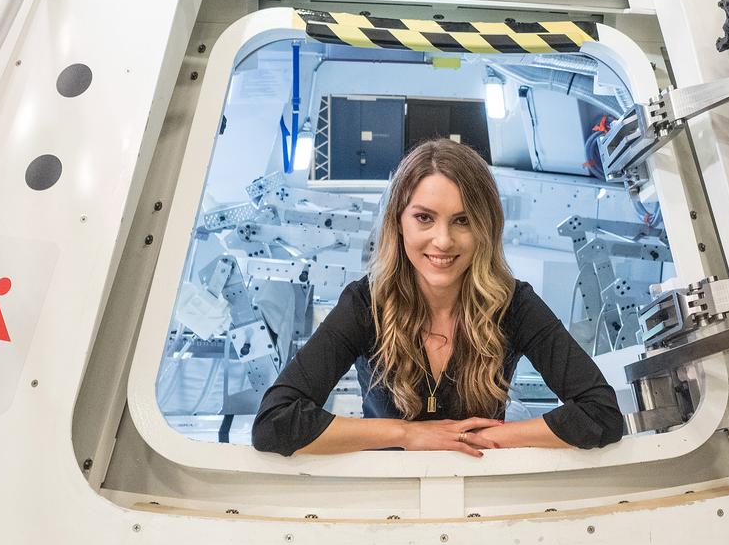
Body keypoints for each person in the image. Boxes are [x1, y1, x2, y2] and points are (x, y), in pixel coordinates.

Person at [251, 139, 625, 457]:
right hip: (386, 496)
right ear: (398, 221)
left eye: (462, 220)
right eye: (424, 218)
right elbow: (275, 422)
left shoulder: (514, 303)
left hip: (478, 494)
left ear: (485, 227)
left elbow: (602, 414)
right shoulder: (366, 304)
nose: (443, 241)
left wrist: (482, 438)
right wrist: (409, 435)